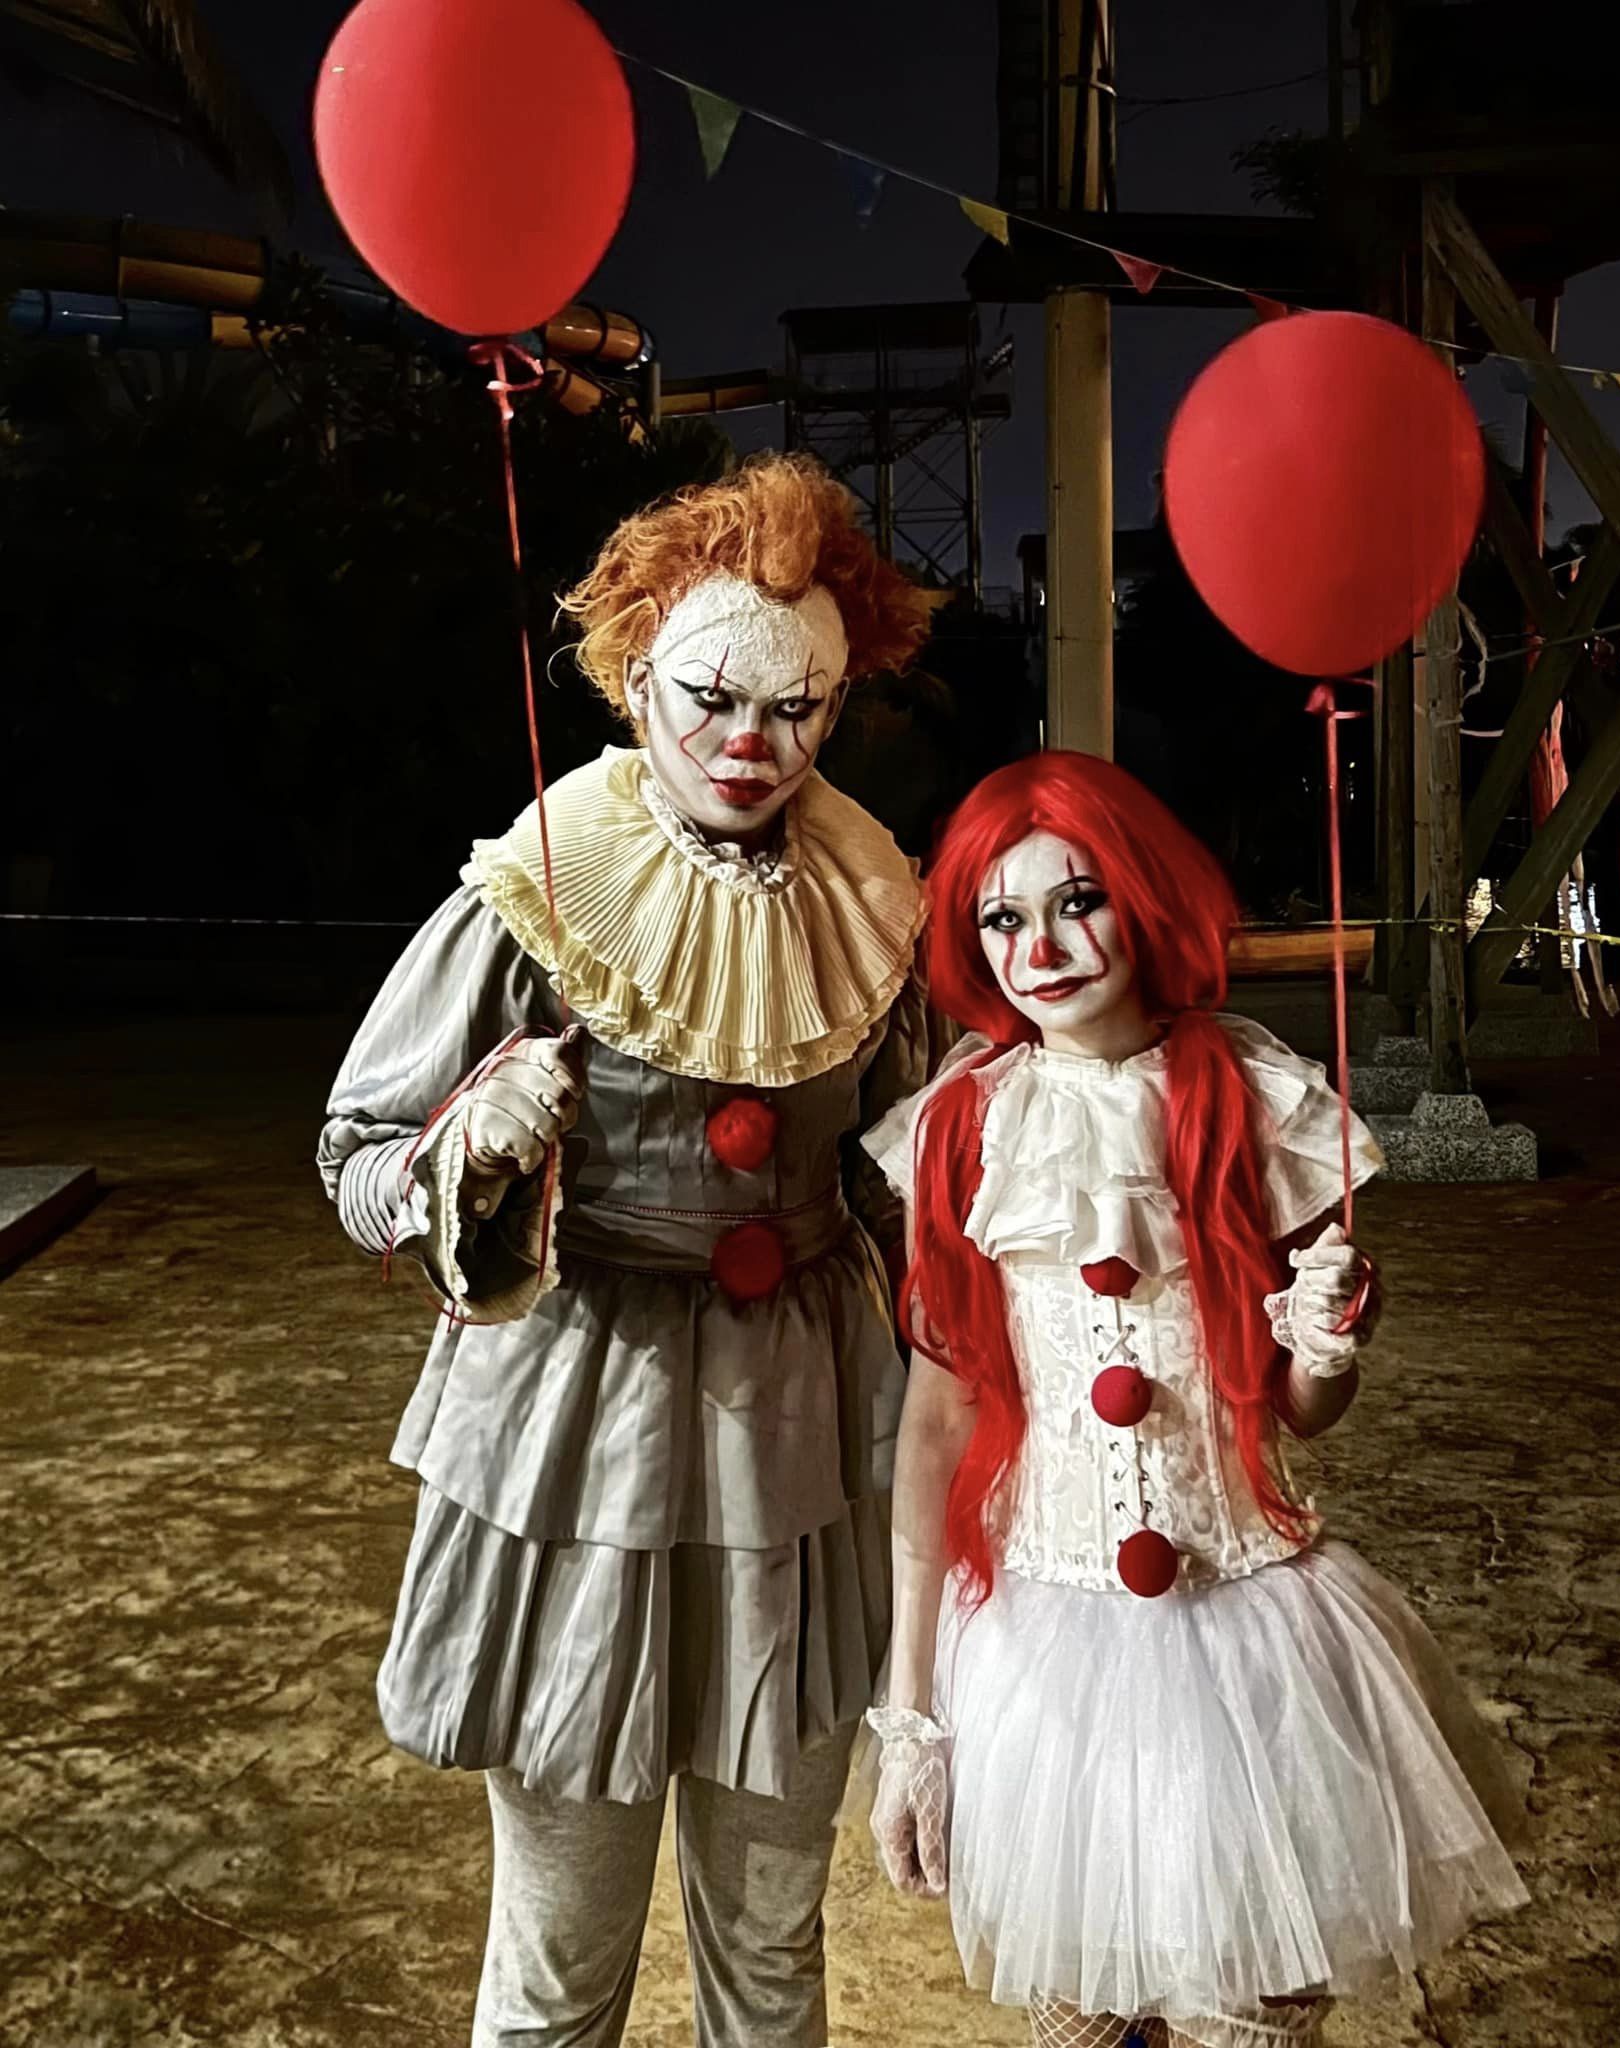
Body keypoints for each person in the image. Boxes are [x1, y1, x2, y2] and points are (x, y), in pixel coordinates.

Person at [318, 453, 934, 2048]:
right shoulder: (535, 890)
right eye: (713, 697)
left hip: (802, 1442)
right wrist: (469, 1145)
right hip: (581, 1430)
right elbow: (357, 1158)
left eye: (795, 711)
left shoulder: (873, 896)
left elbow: (910, 1180)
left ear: (837, 703)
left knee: (773, 1947)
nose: (749, 743)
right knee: (559, 1960)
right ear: (639, 673)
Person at [861, 752, 1527, 2048]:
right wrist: (913, 1719)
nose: (1040, 949)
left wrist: (1324, 1342)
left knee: (1249, 2012)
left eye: (1078, 902)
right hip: (1044, 1654)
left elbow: (1304, 1409)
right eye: (1003, 918)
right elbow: (936, 1425)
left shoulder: (1251, 1097)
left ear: (1145, 897)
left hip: (1246, 1639)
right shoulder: (965, 1125)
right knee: (1079, 2014)